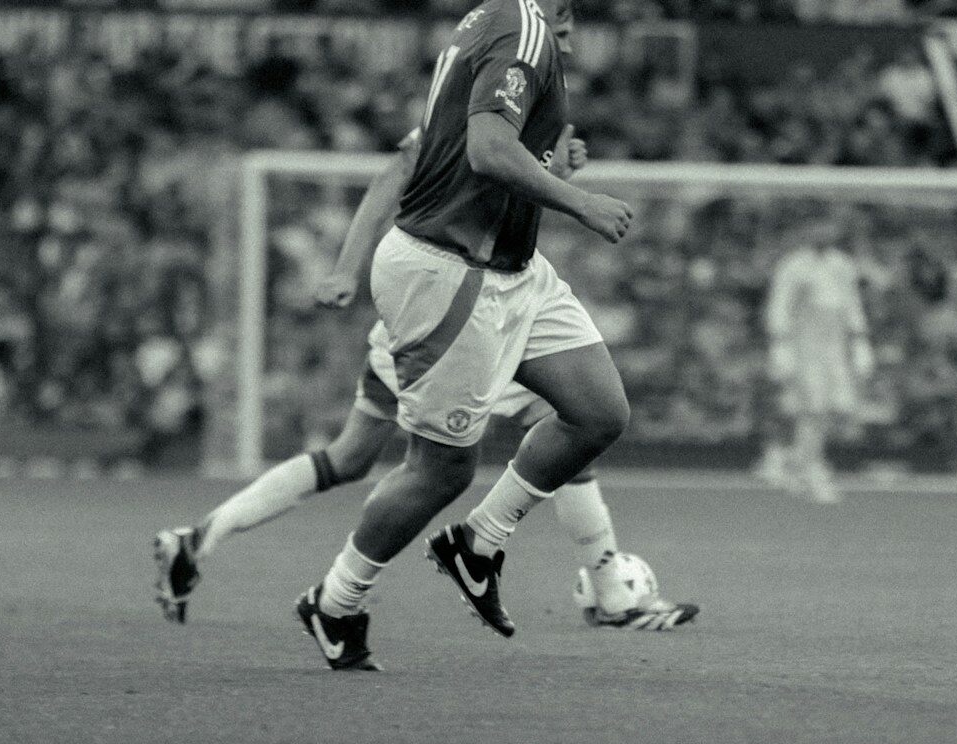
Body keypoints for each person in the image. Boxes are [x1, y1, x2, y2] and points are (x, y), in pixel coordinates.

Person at [153, 118, 698, 636]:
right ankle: (607, 590)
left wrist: (554, 177)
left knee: (352, 457)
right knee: (535, 430)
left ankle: (201, 537)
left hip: (449, 305)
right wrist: (346, 267)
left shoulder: (531, 90)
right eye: (561, 20)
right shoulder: (482, 89)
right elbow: (399, 176)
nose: (565, 32)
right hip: (450, 310)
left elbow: (496, 195)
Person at [761, 214, 873, 504]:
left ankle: (792, 461)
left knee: (839, 409)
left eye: (829, 225)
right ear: (807, 229)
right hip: (804, 346)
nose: (824, 231)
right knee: (813, 409)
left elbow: (852, 305)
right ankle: (812, 469)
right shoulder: (794, 265)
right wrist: (780, 344)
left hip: (835, 347)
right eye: (818, 225)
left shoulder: (843, 264)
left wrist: (860, 341)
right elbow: (779, 305)